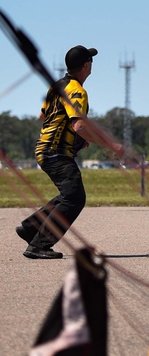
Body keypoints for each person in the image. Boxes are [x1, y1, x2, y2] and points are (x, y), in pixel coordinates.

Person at [17, 45, 115, 259]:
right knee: (75, 198)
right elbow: (79, 126)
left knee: (68, 195)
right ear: (87, 66)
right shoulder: (77, 90)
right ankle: (39, 245)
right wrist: (111, 145)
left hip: (45, 148)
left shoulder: (56, 87)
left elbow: (44, 116)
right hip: (56, 151)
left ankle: (31, 228)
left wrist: (72, 137)